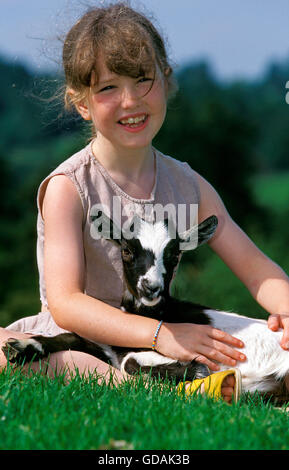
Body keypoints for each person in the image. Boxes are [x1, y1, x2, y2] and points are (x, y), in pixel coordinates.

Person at [1, 2, 289, 404]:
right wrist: (160, 336)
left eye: (142, 80)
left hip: (163, 330)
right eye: (108, 88)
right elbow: (66, 303)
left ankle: (199, 382)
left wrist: (287, 310)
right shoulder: (69, 187)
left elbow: (256, 269)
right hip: (82, 339)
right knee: (5, 348)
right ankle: (145, 387)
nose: (131, 100)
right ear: (81, 102)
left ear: (165, 80)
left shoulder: (189, 186)